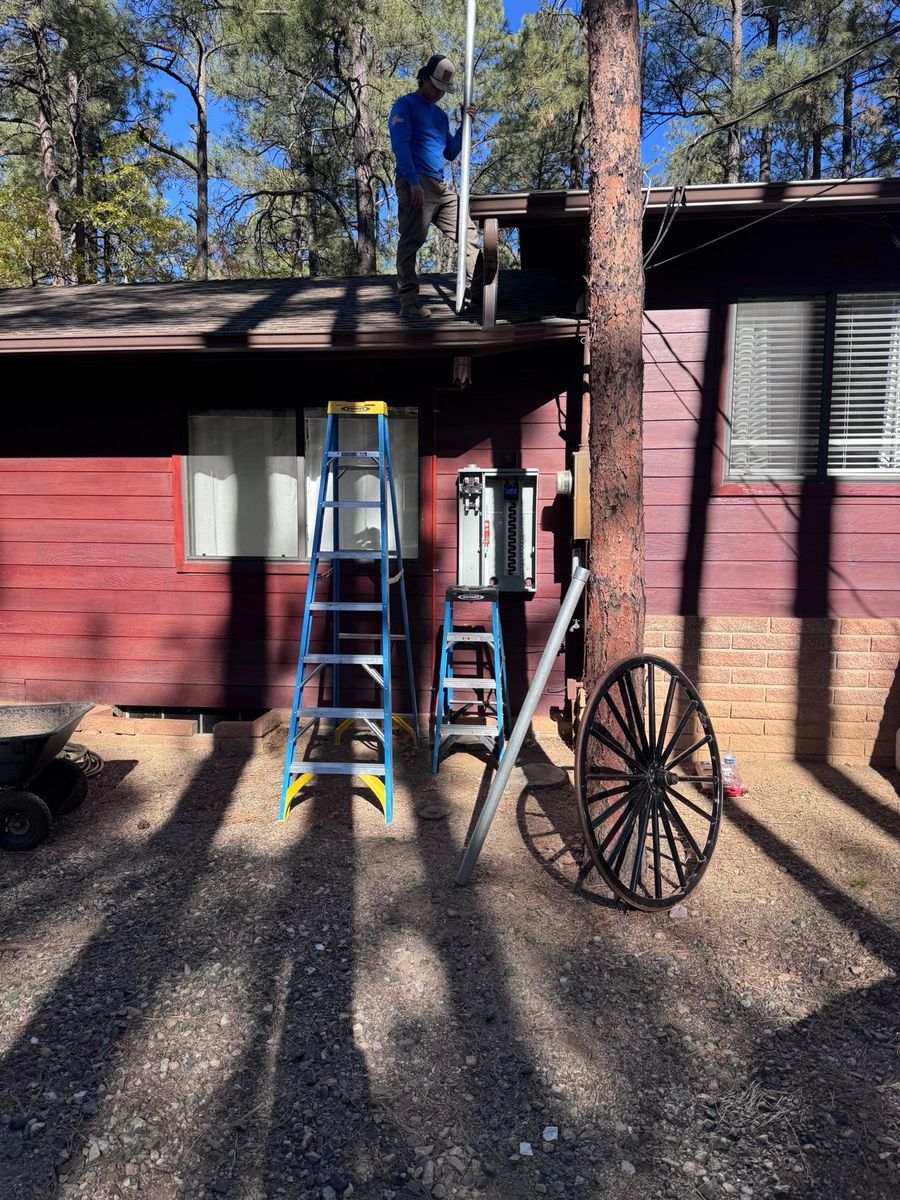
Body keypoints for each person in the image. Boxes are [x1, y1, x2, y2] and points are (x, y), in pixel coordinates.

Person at [388, 54, 480, 318]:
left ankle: (481, 293)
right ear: (425, 78)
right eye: (436, 87)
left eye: (444, 90)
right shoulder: (406, 105)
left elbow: (451, 152)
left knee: (468, 232)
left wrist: (466, 124)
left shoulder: (440, 116)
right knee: (412, 240)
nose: (439, 93)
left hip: (440, 185)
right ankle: (409, 304)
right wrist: (413, 183)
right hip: (416, 181)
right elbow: (400, 145)